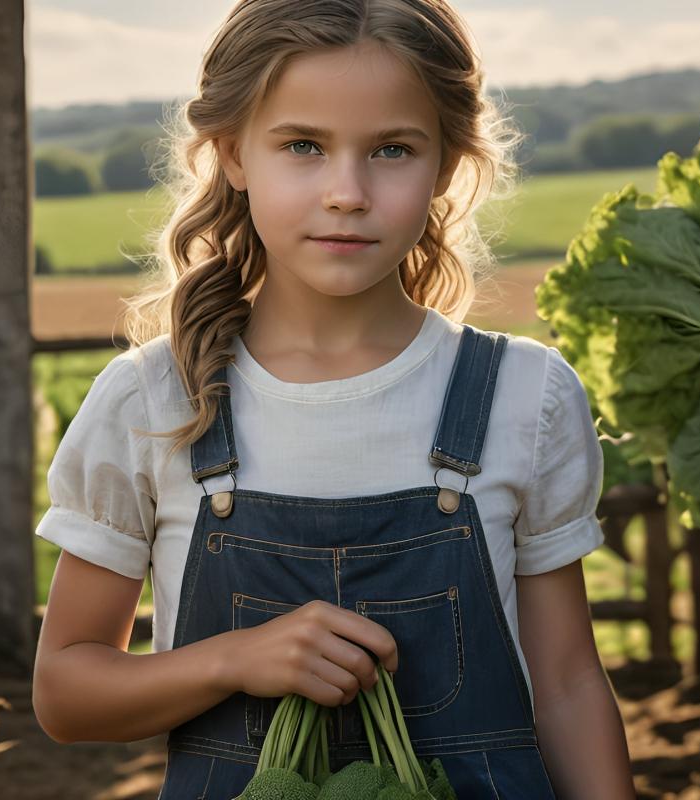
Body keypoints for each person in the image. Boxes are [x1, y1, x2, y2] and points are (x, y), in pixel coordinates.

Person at [32, 1, 635, 797]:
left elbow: (566, 685)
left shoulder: (525, 397)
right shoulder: (154, 403)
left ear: (447, 166)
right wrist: (232, 660)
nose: (347, 192)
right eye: (304, 146)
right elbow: (67, 694)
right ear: (233, 154)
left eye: (392, 149)